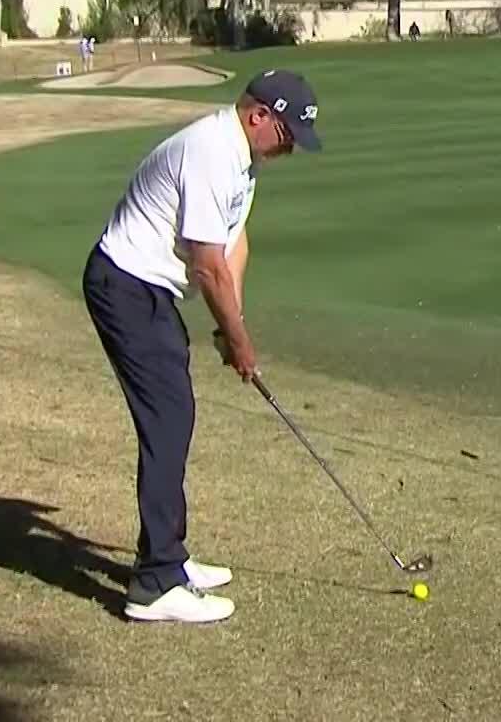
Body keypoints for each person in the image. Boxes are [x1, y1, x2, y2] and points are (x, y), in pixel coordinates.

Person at [83, 69, 323, 623]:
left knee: (176, 416)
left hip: (149, 292)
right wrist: (240, 343)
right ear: (258, 115)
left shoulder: (243, 160)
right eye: (286, 134)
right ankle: (154, 584)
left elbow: (234, 249)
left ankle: (169, 559)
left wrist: (228, 328)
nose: (288, 148)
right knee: (167, 420)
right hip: (124, 284)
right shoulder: (212, 149)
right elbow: (207, 266)